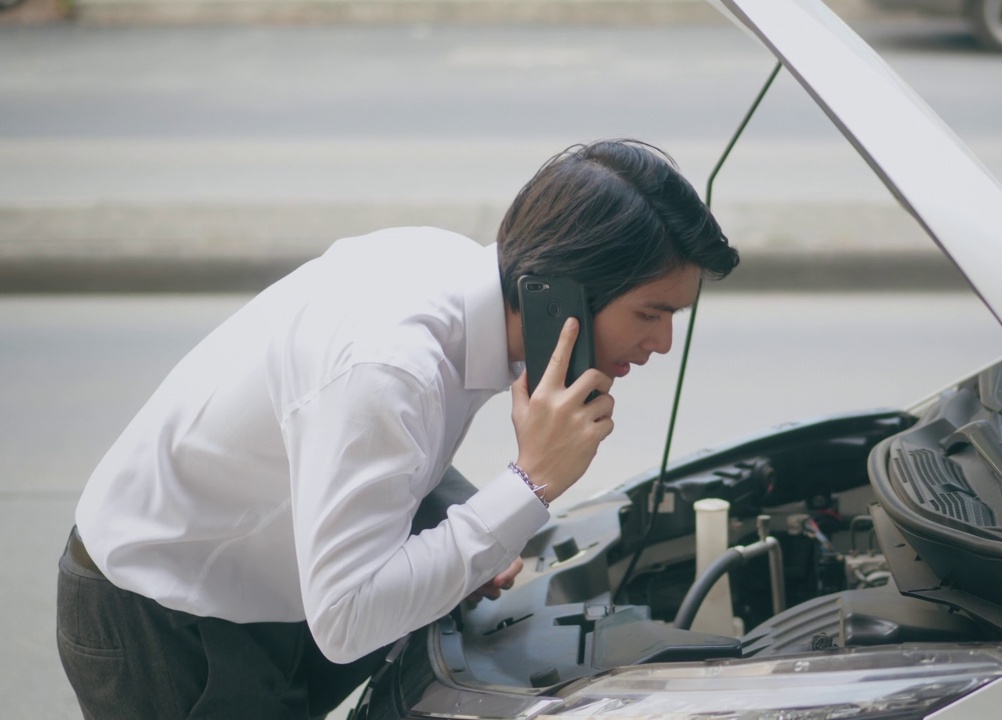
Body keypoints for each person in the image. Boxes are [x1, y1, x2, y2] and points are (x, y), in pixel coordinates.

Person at [57, 139, 739, 719]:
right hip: (166, 615)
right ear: (560, 289)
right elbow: (349, 620)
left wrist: (469, 526)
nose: (662, 345)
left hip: (262, 577)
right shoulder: (391, 365)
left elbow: (383, 455)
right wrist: (528, 485)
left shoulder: (451, 275)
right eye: (651, 314)